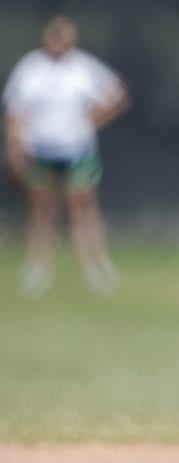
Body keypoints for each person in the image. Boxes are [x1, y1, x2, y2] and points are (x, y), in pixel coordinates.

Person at [3, 16, 129, 297]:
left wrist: (92, 121)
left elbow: (118, 94)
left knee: (82, 210)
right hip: (41, 151)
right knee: (41, 211)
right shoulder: (32, 67)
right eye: (52, 38)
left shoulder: (83, 67)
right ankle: (39, 267)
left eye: (62, 39)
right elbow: (15, 110)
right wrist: (14, 145)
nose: (56, 44)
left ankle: (95, 266)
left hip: (76, 150)